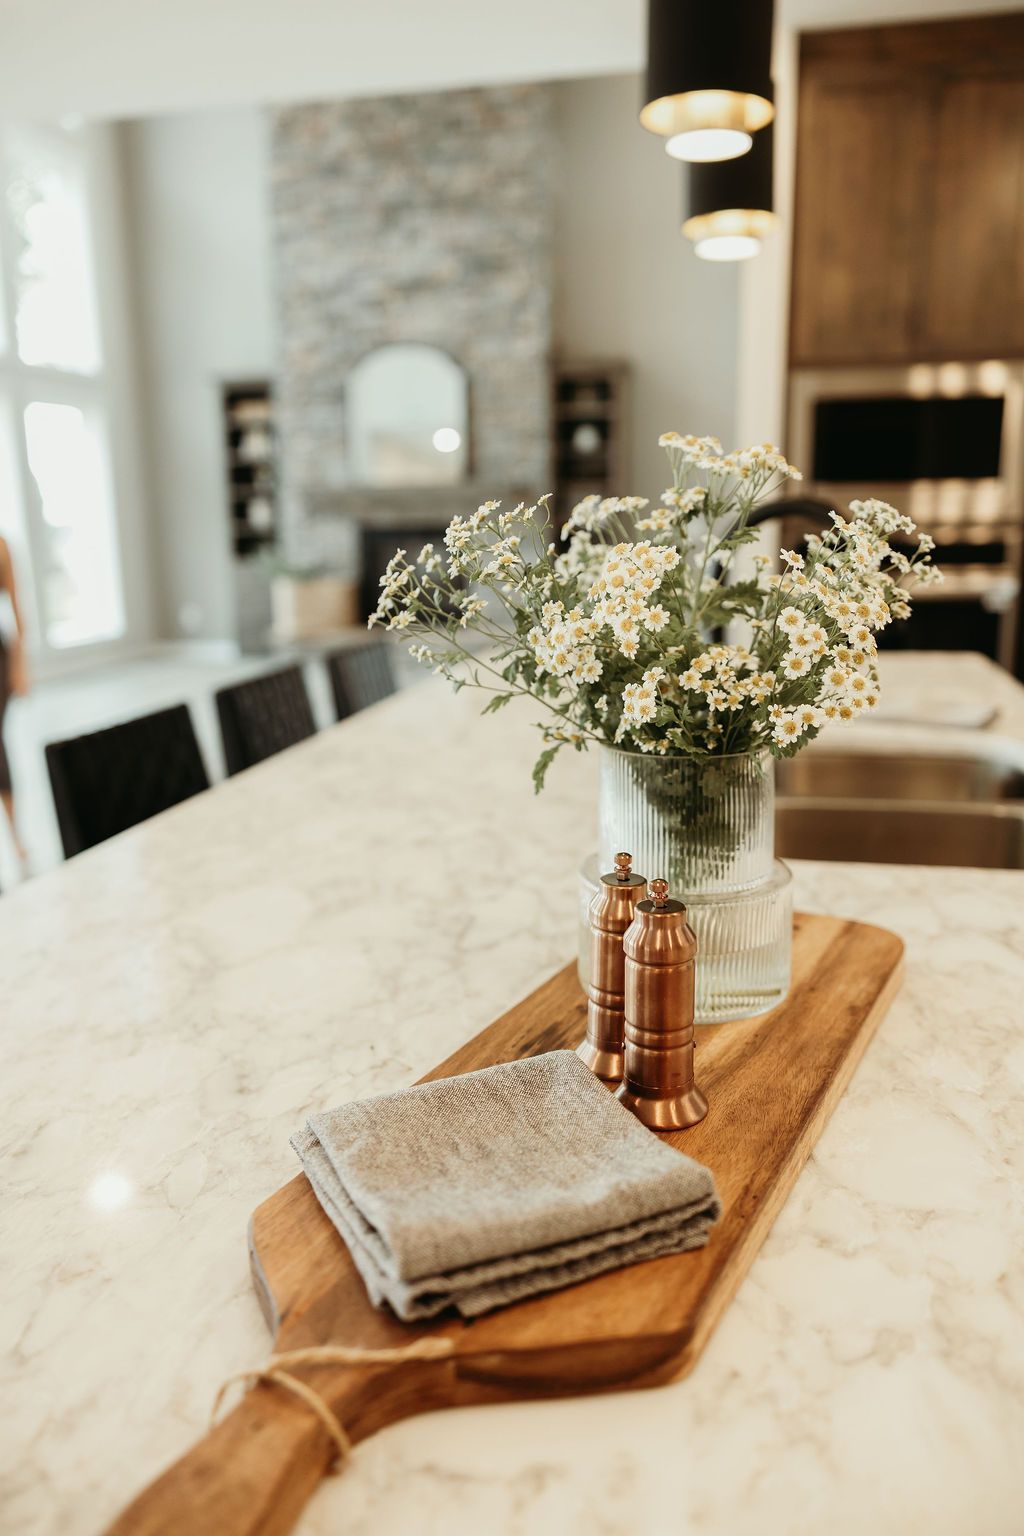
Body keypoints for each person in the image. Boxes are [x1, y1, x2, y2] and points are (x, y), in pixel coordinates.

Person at [0, 535, 29, 863]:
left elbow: (17, 608)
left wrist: (21, 667)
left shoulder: (2, 545)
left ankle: (15, 835)